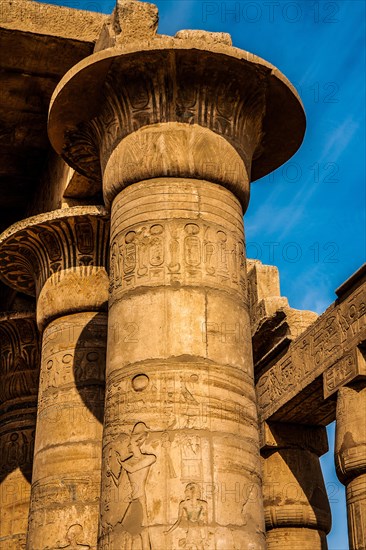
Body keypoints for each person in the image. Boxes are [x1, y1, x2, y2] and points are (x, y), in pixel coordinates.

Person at [106, 422, 156, 550]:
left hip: (140, 497)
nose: (130, 446)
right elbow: (118, 482)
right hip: (133, 499)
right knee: (128, 530)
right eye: (130, 444)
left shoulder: (148, 458)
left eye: (132, 443)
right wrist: (110, 471)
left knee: (141, 530)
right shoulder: (127, 462)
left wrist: (120, 462)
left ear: (138, 443)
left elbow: (132, 469)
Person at [166, 482, 208, 550]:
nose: (185, 492)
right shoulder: (183, 504)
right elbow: (178, 521)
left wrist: (206, 536)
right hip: (190, 533)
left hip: (197, 532)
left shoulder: (203, 504)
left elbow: (206, 522)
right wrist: (169, 531)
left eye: (186, 490)